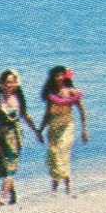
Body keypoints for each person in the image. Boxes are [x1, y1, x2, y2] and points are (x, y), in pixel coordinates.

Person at [0, 69, 41, 205]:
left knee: (11, 163)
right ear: (1, 84)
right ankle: (13, 195)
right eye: (7, 83)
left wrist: (36, 131)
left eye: (12, 82)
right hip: (1, 134)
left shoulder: (18, 99)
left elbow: (26, 117)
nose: (10, 85)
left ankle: (2, 197)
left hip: (15, 136)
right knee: (3, 166)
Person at [38, 65, 88, 195]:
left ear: (65, 76)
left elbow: (82, 111)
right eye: (56, 76)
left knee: (62, 153)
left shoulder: (71, 92)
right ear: (53, 78)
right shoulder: (52, 95)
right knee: (54, 156)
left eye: (61, 75)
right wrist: (40, 130)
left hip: (67, 127)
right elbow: (47, 114)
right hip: (53, 128)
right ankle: (56, 187)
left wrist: (84, 130)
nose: (59, 78)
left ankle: (68, 186)